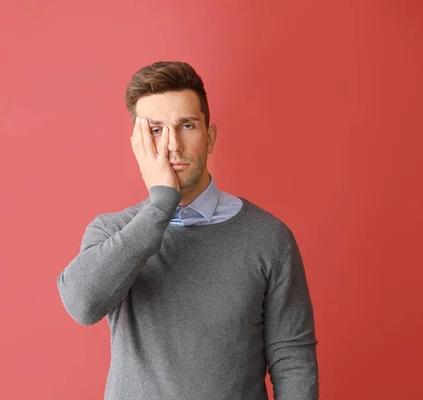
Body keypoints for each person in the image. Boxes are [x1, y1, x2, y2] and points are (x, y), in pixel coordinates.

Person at [57, 61, 319, 400]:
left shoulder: (268, 238)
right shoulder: (113, 231)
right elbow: (82, 305)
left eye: (187, 125)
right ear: (138, 145)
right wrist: (162, 204)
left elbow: (293, 358)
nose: (172, 145)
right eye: (155, 130)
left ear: (209, 137)